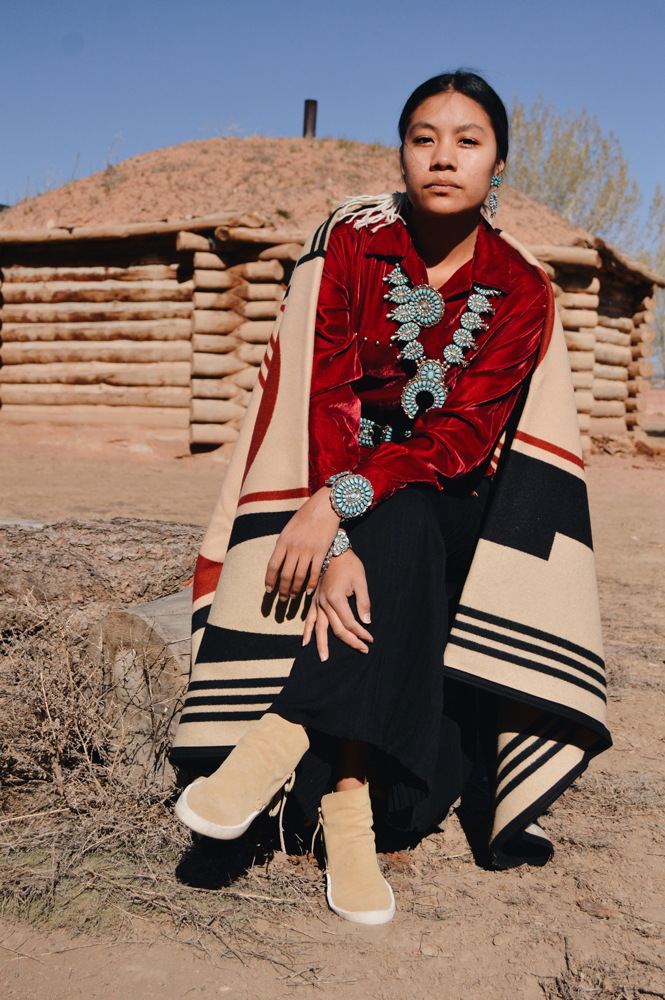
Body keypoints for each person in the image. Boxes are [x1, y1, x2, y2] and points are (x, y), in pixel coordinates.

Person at [172, 71, 610, 926]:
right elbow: (325, 390)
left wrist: (336, 510)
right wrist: (338, 524)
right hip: (351, 484)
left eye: (467, 140)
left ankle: (277, 740)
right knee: (392, 525)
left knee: (409, 511)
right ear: (401, 152)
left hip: (453, 497)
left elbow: (460, 438)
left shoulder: (520, 287)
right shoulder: (353, 244)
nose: (443, 157)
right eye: (423, 137)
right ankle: (346, 799)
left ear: (498, 164)